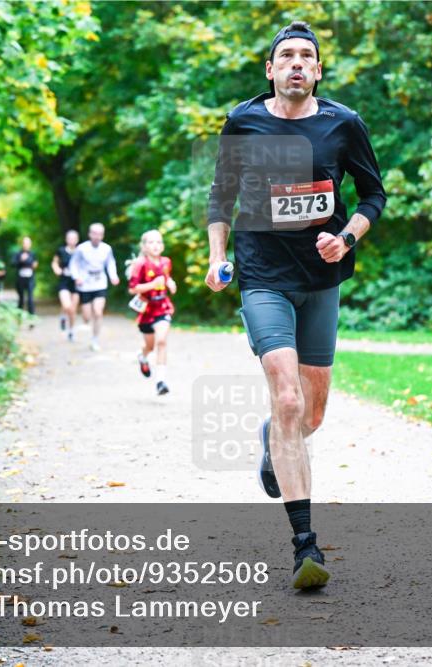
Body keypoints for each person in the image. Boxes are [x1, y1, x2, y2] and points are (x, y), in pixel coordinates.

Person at [204, 21, 386, 590]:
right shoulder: (245, 120)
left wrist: (348, 237)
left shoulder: (343, 124)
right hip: (262, 277)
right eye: (287, 56)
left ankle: (273, 438)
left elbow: (373, 194)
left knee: (309, 415)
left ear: (319, 70)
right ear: (271, 70)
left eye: (308, 56)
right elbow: (220, 195)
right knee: (286, 397)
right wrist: (216, 257)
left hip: (322, 280)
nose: (297, 64)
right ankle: (306, 546)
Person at [127, 229, 177, 396]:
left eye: (159, 242)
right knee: (150, 345)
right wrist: (152, 285)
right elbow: (133, 288)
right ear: (144, 246)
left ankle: (161, 381)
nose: (155, 245)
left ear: (162, 246)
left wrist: (170, 282)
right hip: (146, 310)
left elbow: (166, 276)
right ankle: (142, 356)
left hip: (162, 306)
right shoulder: (140, 264)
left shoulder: (166, 261)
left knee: (161, 341)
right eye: (151, 242)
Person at [68, 222, 120, 351]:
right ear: (90, 234)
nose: (97, 236)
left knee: (98, 312)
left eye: (100, 234)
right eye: (95, 233)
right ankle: (85, 323)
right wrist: (76, 277)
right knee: (86, 316)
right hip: (85, 284)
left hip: (100, 283)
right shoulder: (81, 248)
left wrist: (113, 276)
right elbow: (73, 264)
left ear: (103, 235)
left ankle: (95, 339)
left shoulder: (107, 248)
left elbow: (110, 263)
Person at [52, 229, 81, 341]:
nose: (72, 240)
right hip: (64, 281)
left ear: (77, 240)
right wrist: (57, 269)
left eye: (74, 238)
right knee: (67, 305)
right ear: (66, 239)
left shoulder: (80, 251)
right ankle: (63, 316)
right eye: (69, 238)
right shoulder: (61, 251)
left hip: (76, 283)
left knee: (73, 309)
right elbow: (54, 262)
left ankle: (71, 331)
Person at [14, 236, 39, 321]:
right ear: (22, 244)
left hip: (30, 279)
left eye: (28, 243)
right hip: (20, 279)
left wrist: (30, 262)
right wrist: (21, 260)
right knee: (21, 299)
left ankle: (31, 319)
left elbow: (35, 265)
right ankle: (18, 319)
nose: (26, 245)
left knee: (30, 300)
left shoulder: (33, 254)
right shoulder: (18, 254)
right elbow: (13, 264)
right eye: (24, 243)